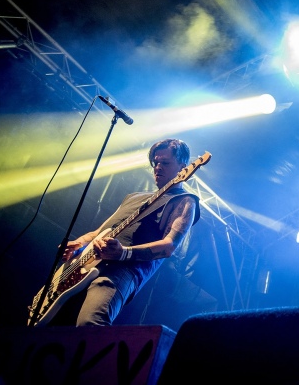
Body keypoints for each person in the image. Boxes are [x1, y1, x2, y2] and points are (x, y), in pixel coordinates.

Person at [49, 138, 201, 327]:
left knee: (90, 324)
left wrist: (123, 253)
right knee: (53, 325)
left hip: (122, 272)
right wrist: (78, 244)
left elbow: (168, 247)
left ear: (182, 167)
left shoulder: (185, 200)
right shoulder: (134, 197)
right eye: (156, 163)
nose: (158, 167)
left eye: (166, 163)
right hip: (83, 266)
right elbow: (99, 232)